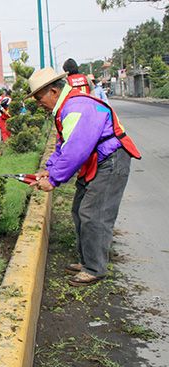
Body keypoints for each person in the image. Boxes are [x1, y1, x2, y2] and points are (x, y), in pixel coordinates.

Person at [26, 67, 141, 287]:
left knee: (93, 214)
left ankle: (95, 268)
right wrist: (50, 169)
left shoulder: (77, 108)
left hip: (110, 161)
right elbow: (64, 144)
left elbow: (76, 150)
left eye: (39, 98)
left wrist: (53, 180)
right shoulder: (66, 107)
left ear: (53, 91)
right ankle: (88, 260)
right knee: (79, 209)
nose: (38, 103)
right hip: (98, 161)